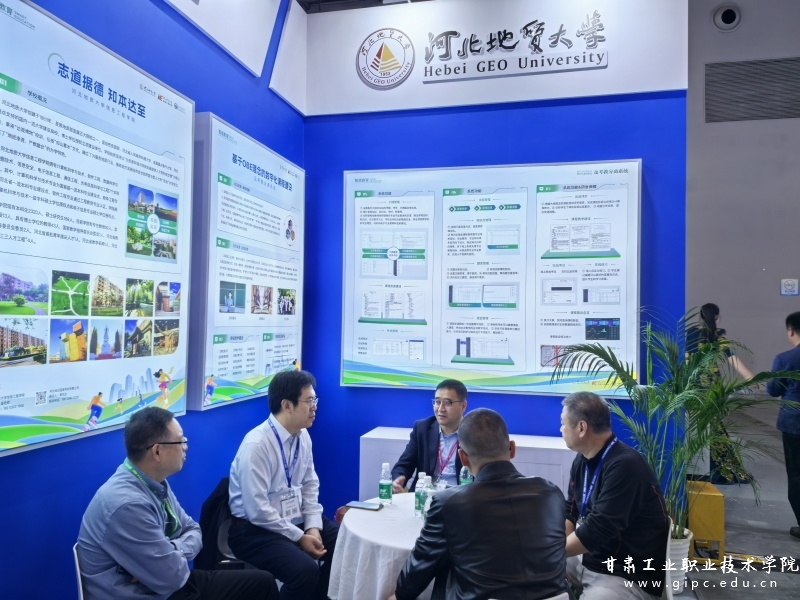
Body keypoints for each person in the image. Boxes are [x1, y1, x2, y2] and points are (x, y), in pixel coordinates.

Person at [76, 407, 278, 600]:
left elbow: (193, 530)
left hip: (163, 586)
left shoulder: (153, 481)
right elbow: (172, 577)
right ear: (157, 451)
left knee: (263, 583)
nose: (185, 447)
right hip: (145, 594)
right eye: (180, 441)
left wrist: (171, 549)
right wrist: (169, 557)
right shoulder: (127, 505)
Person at [390, 408, 567, 600]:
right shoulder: (551, 493)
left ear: (463, 457)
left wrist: (398, 595)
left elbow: (415, 575)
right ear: (512, 448)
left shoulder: (449, 504)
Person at [228, 369, 339, 600]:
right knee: (304, 571)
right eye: (309, 401)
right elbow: (257, 511)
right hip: (254, 529)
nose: (315, 407)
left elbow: (310, 485)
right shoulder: (256, 446)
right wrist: (299, 536)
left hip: (293, 517)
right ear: (287, 405)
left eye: (315, 400)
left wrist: (313, 526)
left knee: (345, 545)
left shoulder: (303, 435)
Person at [561, 391, 669, 599]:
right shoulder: (582, 460)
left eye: (563, 423)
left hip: (625, 574)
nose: (561, 429)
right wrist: (553, 555)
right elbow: (570, 511)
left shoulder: (625, 466)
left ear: (581, 428)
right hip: (591, 558)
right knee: (529, 569)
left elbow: (599, 528)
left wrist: (552, 552)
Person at [686, 303, 753, 483]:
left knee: (696, 426)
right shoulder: (718, 334)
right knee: (714, 425)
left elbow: (686, 361)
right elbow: (731, 358)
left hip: (694, 385)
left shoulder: (690, 333)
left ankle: (698, 466)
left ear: (700, 316)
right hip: (713, 386)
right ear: (717, 317)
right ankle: (720, 467)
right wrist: (750, 377)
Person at [391, 379, 468, 492]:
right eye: (437, 402)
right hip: (424, 495)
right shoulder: (423, 428)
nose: (440, 409)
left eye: (447, 403)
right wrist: (398, 478)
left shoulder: (474, 433)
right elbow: (404, 464)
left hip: (457, 496)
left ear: (463, 406)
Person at [766, 311, 800, 539]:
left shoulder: (785, 359)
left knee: (796, 475)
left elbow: (773, 389)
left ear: (790, 330)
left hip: (794, 425)